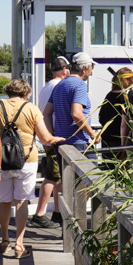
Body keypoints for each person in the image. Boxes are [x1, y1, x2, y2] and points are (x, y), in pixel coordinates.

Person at [0, 79, 63, 259]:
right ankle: (19, 244)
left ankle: (5, 240)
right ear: (25, 94)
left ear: (8, 92)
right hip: (26, 160)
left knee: (5, 202)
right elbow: (45, 137)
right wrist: (59, 139)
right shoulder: (31, 109)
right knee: (22, 201)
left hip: (1, 160)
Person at [44, 52, 98, 226]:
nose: (92, 71)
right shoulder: (79, 85)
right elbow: (77, 114)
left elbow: (46, 113)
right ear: (84, 68)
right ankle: (80, 221)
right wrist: (92, 134)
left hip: (62, 144)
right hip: (79, 143)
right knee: (95, 180)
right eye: (91, 68)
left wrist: (52, 137)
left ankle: (70, 223)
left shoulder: (59, 85)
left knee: (69, 184)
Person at [30, 56, 70, 230]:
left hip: (46, 135)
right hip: (52, 135)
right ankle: (40, 214)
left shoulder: (46, 86)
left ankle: (57, 212)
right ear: (64, 70)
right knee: (52, 176)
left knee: (57, 176)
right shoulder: (59, 86)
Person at [98, 67, 133, 155]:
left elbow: (101, 117)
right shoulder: (128, 96)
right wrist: (124, 146)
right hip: (122, 142)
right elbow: (125, 124)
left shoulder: (109, 96)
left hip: (107, 140)